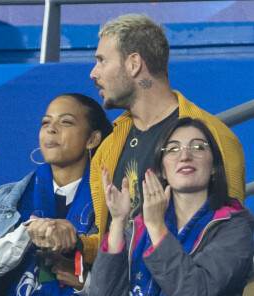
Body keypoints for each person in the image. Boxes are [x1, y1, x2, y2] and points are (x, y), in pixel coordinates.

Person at [78, 13, 246, 266]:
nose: (93, 73)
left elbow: (227, 244)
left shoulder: (215, 137)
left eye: (101, 60)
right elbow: (110, 239)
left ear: (134, 63)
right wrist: (74, 244)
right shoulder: (107, 150)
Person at [0, 93, 112, 296]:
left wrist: (85, 282)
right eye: (46, 122)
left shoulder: (111, 202)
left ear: (92, 138)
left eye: (65, 122)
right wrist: (28, 231)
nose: (51, 129)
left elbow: (130, 286)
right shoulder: (8, 197)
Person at [89, 117, 254, 296]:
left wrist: (157, 227)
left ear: (214, 166)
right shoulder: (139, 226)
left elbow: (195, 294)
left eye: (198, 147)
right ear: (162, 170)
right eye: (173, 149)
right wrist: (118, 222)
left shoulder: (235, 227)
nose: (184, 156)